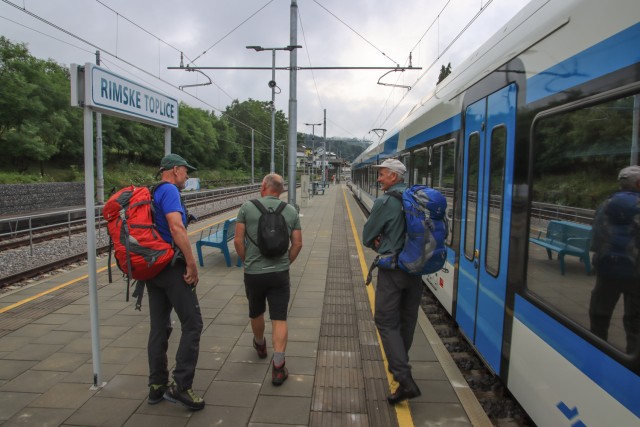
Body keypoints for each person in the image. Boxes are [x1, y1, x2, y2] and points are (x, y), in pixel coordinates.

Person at [145, 153, 205, 410]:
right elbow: (176, 227)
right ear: (176, 170)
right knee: (193, 323)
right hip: (171, 267)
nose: (188, 176)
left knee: (159, 327)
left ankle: (157, 385)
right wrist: (191, 262)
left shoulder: (151, 191)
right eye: (186, 171)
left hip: (152, 269)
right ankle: (181, 386)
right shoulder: (169, 190)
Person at [362, 158, 422, 404]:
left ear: (394, 177)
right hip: (416, 271)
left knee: (386, 321)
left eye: (383, 175)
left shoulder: (385, 201)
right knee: (407, 320)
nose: (379, 179)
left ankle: (404, 379)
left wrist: (379, 240)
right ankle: (400, 365)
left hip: (393, 271)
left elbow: (367, 236)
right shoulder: (416, 199)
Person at [234, 173, 303, 385]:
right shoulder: (291, 211)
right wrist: (285, 263)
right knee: (279, 317)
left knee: (256, 312)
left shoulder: (247, 207)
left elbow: (238, 241)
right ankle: (279, 367)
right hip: (279, 273)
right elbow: (298, 244)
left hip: (254, 273)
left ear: (264, 186)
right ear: (281, 190)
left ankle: (260, 344)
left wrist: (249, 262)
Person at [589, 165, 640, 354]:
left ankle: (597, 349)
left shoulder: (607, 204)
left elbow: (596, 236)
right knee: (634, 319)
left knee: (600, 313)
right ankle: (633, 356)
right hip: (636, 272)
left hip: (608, 268)